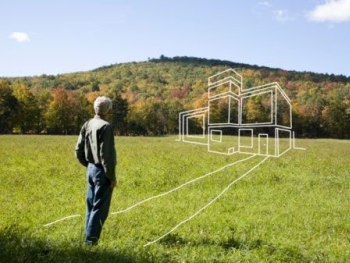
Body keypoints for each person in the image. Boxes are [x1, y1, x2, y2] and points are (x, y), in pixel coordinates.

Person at [75, 96, 117, 246]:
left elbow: (78, 149)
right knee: (99, 209)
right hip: (102, 171)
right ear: (108, 110)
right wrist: (111, 177)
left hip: (91, 169)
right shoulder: (106, 127)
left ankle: (87, 238)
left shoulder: (87, 124)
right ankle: (90, 242)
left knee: (90, 206)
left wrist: (88, 165)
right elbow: (107, 156)